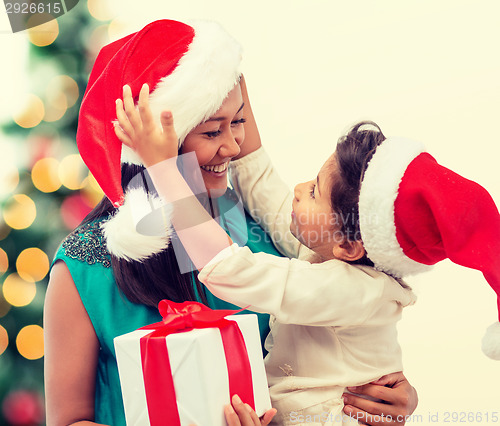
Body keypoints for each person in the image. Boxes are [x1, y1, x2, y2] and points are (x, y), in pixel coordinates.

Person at [44, 19, 419, 426]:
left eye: (238, 122)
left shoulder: (258, 229)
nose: (233, 144)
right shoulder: (84, 265)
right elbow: (68, 420)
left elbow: (330, 354)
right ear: (155, 149)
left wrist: (389, 392)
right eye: (211, 131)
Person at [115, 82, 500, 425]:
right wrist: (228, 73)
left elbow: (230, 269)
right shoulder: (336, 251)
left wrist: (164, 170)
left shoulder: (351, 289)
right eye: (217, 127)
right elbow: (262, 184)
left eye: (314, 191)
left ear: (349, 246)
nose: (298, 189)